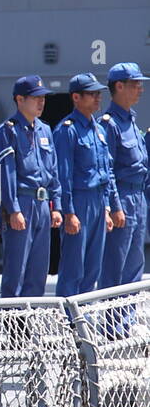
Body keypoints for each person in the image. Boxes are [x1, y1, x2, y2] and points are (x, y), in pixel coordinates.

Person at [0, 75, 60, 298]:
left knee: (38, 270)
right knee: (16, 270)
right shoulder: (8, 131)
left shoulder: (45, 130)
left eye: (43, 98)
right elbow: (6, 174)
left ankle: (32, 327)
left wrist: (56, 205)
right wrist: (12, 209)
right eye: (35, 98)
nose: (41, 102)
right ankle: (15, 328)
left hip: (42, 204)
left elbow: (53, 171)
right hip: (22, 202)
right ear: (19, 99)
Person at [54, 73, 117, 297]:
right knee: (74, 267)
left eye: (98, 93)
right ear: (76, 97)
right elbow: (64, 175)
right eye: (91, 94)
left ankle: (85, 318)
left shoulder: (99, 130)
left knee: (93, 267)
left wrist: (108, 208)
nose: (98, 98)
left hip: (99, 202)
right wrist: (69, 212)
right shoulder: (67, 130)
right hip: (79, 202)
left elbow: (106, 171)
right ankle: (70, 322)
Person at [99, 63, 149, 287]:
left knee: (134, 264)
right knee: (115, 265)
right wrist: (115, 206)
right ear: (119, 86)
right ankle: (113, 322)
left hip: (138, 198)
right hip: (123, 199)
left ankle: (127, 320)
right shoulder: (110, 125)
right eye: (135, 84)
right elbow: (107, 169)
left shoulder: (131, 121)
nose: (141, 89)